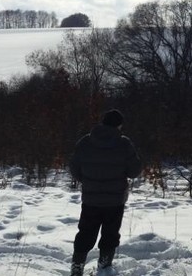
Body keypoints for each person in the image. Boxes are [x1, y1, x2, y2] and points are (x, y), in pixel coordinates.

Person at [69, 109, 142, 276]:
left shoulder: (85, 141)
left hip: (90, 199)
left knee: (85, 233)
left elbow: (74, 167)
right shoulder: (124, 143)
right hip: (115, 200)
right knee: (110, 235)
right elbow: (134, 171)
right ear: (119, 125)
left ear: (102, 122)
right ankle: (104, 267)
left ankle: (77, 268)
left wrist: (87, 181)